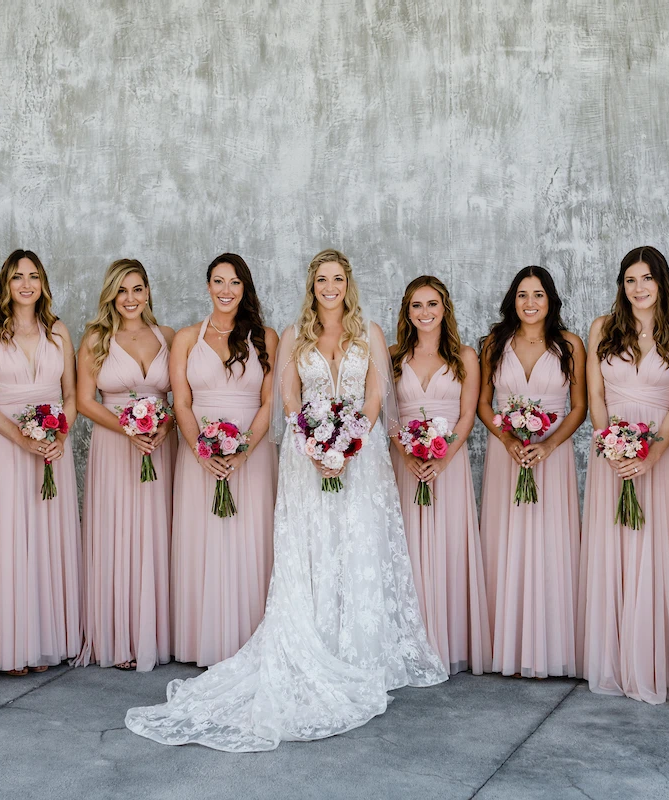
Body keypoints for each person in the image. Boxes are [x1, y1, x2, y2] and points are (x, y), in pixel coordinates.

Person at [125, 248, 446, 752]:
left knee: (357, 548)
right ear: (312, 285)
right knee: (315, 549)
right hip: (308, 458)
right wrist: (318, 445)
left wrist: (349, 442)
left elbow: (374, 399)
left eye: (338, 278)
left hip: (360, 461)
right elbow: (289, 399)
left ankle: (359, 648)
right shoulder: (293, 335)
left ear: (349, 283)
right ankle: (316, 641)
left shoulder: (372, 334)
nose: (330, 287)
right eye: (322, 279)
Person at [579, 247, 669, 704]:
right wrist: (611, 447)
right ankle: (613, 655)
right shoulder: (602, 329)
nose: (639, 287)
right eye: (630, 279)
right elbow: (596, 399)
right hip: (611, 453)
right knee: (615, 547)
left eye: (647, 278)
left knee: (658, 545)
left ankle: (659, 659)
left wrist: (649, 455)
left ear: (662, 282)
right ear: (621, 285)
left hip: (659, 455)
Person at [0, 250, 81, 675]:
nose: (26, 284)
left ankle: (47, 639)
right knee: (8, 537)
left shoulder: (59, 332)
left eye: (34, 276)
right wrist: (20, 437)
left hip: (52, 448)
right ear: (6, 284)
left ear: (44, 283)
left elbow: (71, 396)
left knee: (47, 538)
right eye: (18, 277)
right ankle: (8, 645)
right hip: (3, 447)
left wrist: (59, 435)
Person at [169, 254, 278, 666]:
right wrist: (201, 450)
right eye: (218, 281)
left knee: (249, 537)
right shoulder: (185, 339)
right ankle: (204, 639)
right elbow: (181, 402)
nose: (226, 290)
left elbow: (270, 403)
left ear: (244, 287)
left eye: (234, 282)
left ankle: (249, 639)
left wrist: (245, 448)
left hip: (252, 453)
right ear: (208, 286)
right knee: (204, 538)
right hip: (200, 454)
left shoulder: (265, 337)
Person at [477, 266, 587, 679]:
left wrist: (549, 445)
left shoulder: (570, 345)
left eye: (538, 295)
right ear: (513, 300)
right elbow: (484, 404)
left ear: (550, 300)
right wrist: (507, 440)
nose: (530, 303)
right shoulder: (494, 344)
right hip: (506, 454)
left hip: (550, 455)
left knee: (550, 541)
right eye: (522, 295)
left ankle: (552, 646)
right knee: (506, 538)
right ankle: (505, 645)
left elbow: (580, 407)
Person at [76, 260, 176, 672]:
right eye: (122, 291)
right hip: (115, 446)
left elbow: (176, 401)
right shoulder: (96, 339)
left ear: (148, 291)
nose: (131, 298)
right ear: (111, 296)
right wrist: (128, 427)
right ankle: (118, 635)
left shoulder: (167, 336)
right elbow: (84, 402)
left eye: (138, 289)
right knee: (117, 532)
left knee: (156, 532)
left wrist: (161, 427)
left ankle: (156, 633)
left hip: (158, 446)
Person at [389, 276, 491, 675]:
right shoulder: (395, 355)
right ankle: (408, 644)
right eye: (417, 305)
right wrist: (407, 453)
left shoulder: (465, 356)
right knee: (407, 549)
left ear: (444, 308)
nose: (425, 313)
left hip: (448, 465)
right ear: (407, 311)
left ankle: (446, 641)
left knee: (448, 545)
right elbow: (390, 415)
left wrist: (443, 458)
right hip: (406, 463)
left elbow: (467, 416)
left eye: (432, 304)